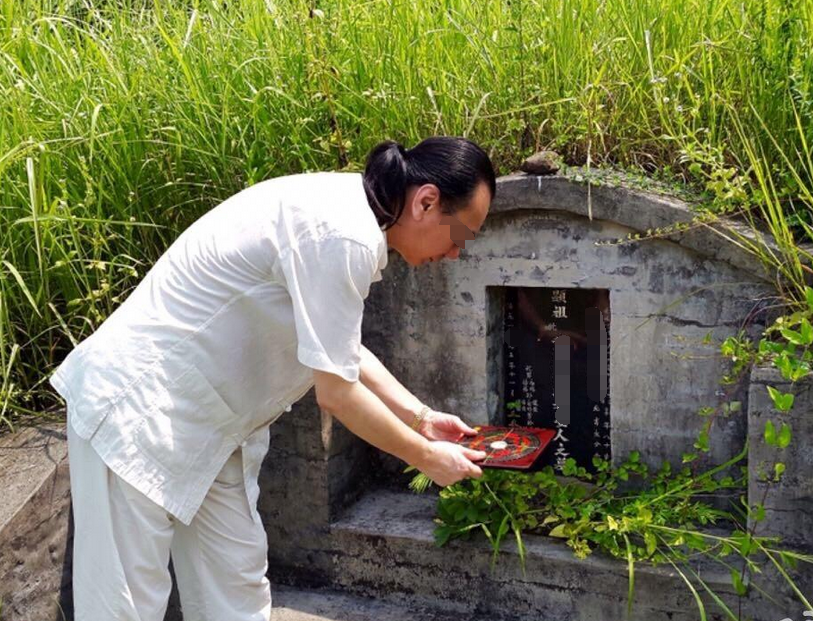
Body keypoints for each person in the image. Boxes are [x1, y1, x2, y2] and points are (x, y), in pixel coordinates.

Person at [49, 136, 495, 621]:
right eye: (461, 234)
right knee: (123, 609)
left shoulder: (348, 219)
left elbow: (337, 351)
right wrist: (426, 457)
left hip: (211, 430)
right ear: (426, 201)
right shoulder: (342, 234)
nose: (455, 253)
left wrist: (423, 418)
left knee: (236, 598)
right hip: (140, 412)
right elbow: (337, 393)